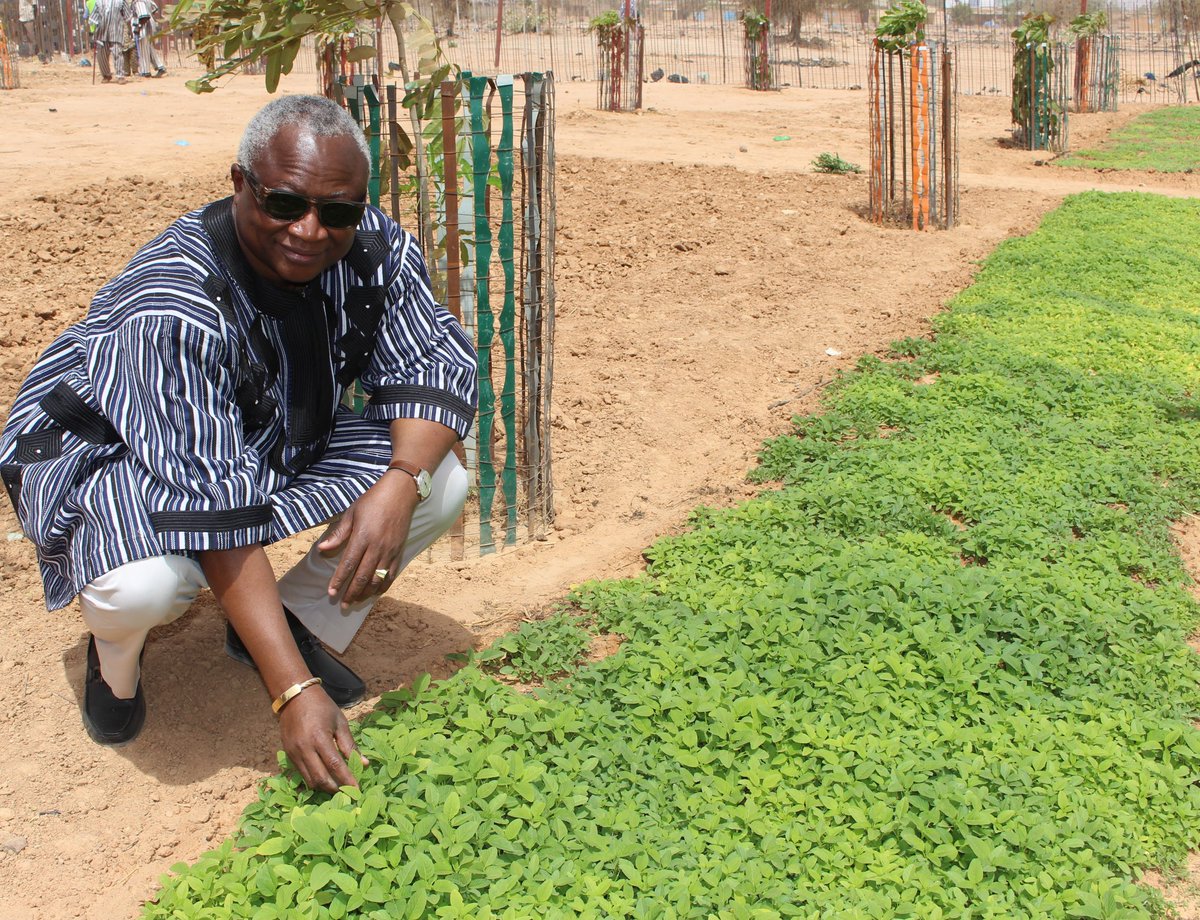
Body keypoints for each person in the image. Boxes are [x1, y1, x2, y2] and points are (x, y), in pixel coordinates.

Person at [0, 95, 477, 793]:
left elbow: (432, 365)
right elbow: (211, 501)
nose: (311, 230)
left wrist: (402, 480)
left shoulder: (373, 245)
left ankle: (284, 619)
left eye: (337, 210)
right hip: (109, 449)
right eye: (285, 203)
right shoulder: (173, 303)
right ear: (239, 183)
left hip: (268, 425)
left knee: (441, 482)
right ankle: (115, 664)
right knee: (146, 587)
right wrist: (292, 693)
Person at [89, 0, 133, 83]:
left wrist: (129, 30)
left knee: (117, 53)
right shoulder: (98, 2)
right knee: (101, 55)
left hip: (116, 31)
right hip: (101, 32)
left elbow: (128, 17)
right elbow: (93, 18)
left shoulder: (121, 1)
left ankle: (120, 76)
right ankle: (106, 75)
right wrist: (92, 31)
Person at [130, 0, 165, 77]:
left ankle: (145, 72)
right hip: (149, 25)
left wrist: (138, 27)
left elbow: (144, 16)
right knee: (148, 47)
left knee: (143, 49)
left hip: (143, 27)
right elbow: (154, 7)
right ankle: (160, 67)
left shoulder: (138, 2)